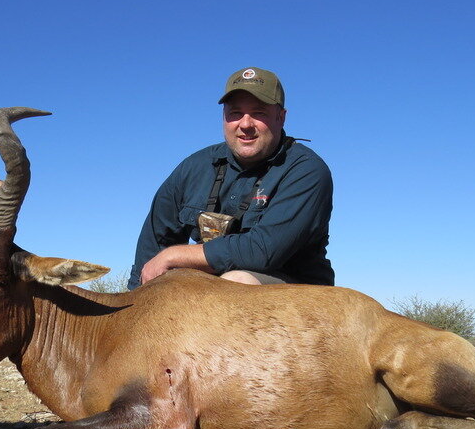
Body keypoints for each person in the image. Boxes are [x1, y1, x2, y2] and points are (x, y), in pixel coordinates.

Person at [129, 67, 333, 288]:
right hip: (215, 294)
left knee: (236, 281)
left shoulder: (306, 170)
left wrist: (172, 256)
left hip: (296, 292)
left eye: (259, 113)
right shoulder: (194, 167)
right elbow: (152, 248)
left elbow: (262, 251)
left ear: (281, 117)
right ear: (224, 117)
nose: (245, 125)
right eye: (235, 113)